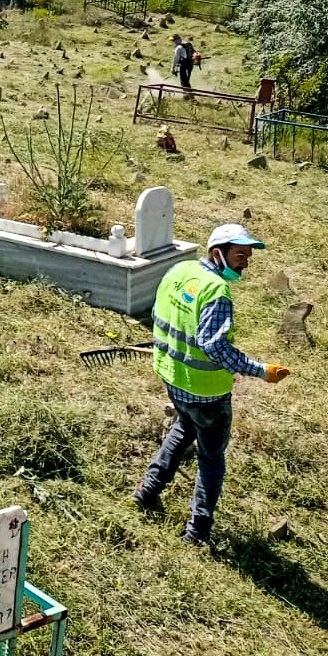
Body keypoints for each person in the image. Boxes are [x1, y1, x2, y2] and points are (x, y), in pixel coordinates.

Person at [133, 223, 291, 545]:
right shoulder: (217, 292)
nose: (245, 263)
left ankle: (147, 490)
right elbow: (214, 347)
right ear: (217, 253)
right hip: (207, 392)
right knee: (211, 458)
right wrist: (261, 371)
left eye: (248, 256)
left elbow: (158, 313)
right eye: (239, 255)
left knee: (183, 428)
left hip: (172, 378)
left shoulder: (180, 271)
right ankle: (198, 530)